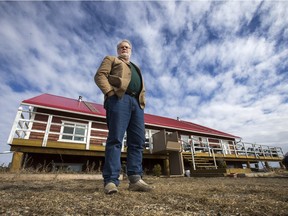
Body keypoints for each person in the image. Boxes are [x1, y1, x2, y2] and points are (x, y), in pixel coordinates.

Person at [94, 39, 153, 194]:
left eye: (127, 47)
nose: (124, 49)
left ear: (131, 50)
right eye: (121, 47)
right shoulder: (111, 59)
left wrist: (142, 102)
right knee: (115, 139)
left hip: (137, 104)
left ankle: (135, 179)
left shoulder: (136, 67)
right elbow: (100, 76)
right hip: (119, 99)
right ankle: (111, 181)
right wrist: (110, 93)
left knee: (138, 141)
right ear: (118, 50)